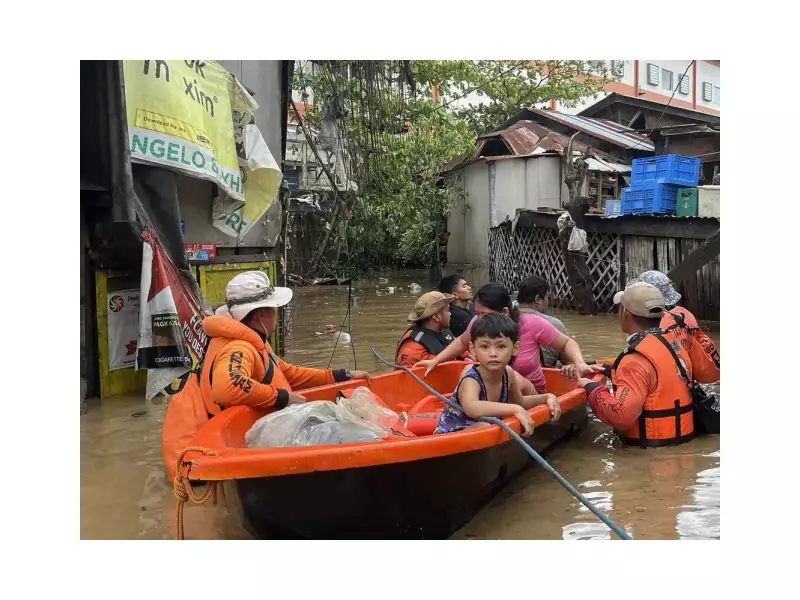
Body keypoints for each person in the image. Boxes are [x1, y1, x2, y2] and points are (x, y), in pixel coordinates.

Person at [162, 271, 370, 481]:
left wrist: (344, 375)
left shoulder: (253, 341)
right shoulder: (239, 347)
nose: (277, 315)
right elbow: (228, 387)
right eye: (274, 310)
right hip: (204, 461)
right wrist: (281, 397)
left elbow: (289, 374)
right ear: (260, 315)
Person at [417, 283, 595, 398]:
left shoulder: (531, 324)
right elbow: (462, 342)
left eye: (484, 314)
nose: (479, 319)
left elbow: (567, 343)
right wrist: (436, 361)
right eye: (477, 313)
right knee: (468, 369)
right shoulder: (479, 322)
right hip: (492, 391)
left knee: (510, 374)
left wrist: (578, 362)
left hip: (529, 395)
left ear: (504, 312)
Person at [575, 282, 696, 448]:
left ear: (625, 313)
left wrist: (592, 387)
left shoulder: (634, 360)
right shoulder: (675, 345)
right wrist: (610, 370)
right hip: (680, 444)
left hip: (648, 456)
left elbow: (620, 415)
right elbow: (657, 379)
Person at [434, 314, 559, 436]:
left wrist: (546, 397)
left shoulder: (508, 374)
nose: (493, 353)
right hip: (452, 434)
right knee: (484, 426)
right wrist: (515, 409)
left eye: (501, 346)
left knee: (488, 426)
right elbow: (471, 407)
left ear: (515, 349)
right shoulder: (472, 379)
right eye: (484, 346)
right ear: (472, 349)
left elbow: (519, 401)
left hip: (485, 430)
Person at [629, 270, 719, 383]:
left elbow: (640, 361)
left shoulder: (653, 325)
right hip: (687, 381)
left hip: (667, 385)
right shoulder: (685, 314)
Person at [395, 291, 470, 368]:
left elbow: (461, 350)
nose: (450, 314)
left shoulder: (443, 331)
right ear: (436, 317)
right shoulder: (412, 349)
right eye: (448, 310)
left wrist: (468, 357)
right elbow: (404, 377)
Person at [516, 275, 569, 368]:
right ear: (538, 299)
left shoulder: (504, 319)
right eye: (546, 297)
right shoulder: (554, 323)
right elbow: (569, 361)